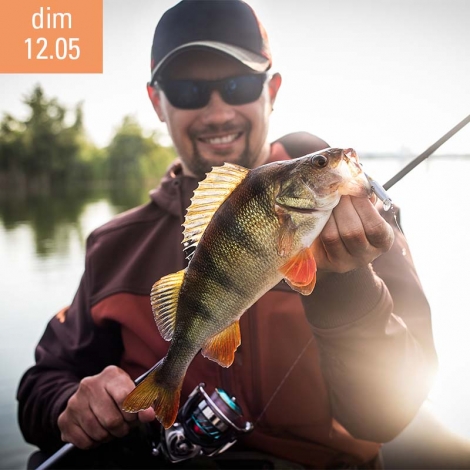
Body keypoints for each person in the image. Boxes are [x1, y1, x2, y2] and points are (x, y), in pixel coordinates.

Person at [17, 1, 437, 469]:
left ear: (271, 90)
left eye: (237, 84)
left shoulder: (361, 219)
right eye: (188, 90)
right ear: (158, 101)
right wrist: (69, 404)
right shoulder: (114, 246)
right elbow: (40, 386)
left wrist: (346, 285)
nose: (216, 112)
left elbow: (389, 416)